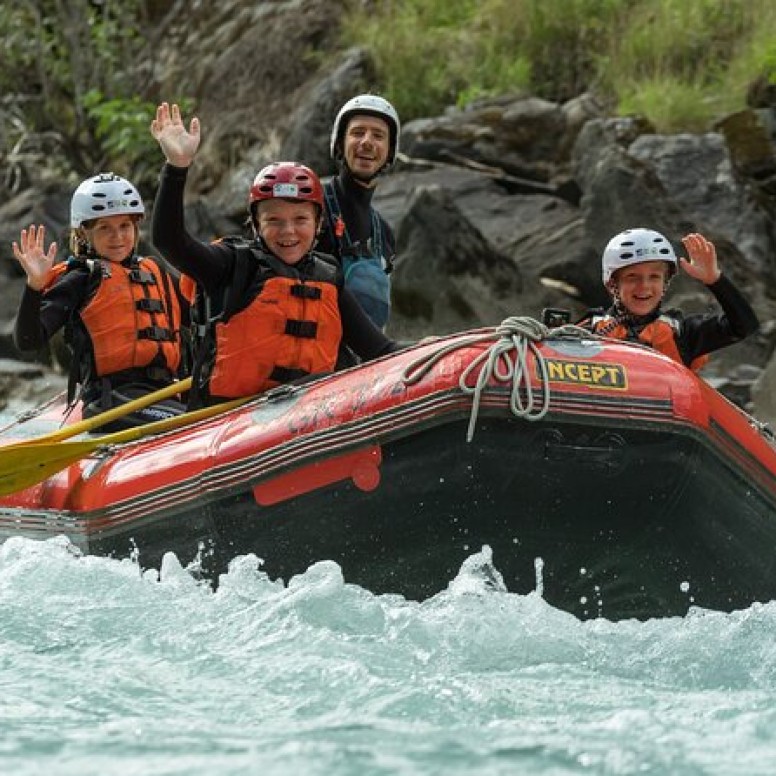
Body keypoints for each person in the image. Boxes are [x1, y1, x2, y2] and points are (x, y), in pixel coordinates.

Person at [149, 102, 401, 408]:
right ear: (255, 223)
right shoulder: (232, 265)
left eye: (300, 220)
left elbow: (380, 348)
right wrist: (176, 167)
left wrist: (441, 351)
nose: (288, 232)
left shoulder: (329, 280)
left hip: (304, 417)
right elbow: (169, 241)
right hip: (231, 422)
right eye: (274, 221)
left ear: (318, 224)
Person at [12, 173, 189, 431]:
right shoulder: (81, 278)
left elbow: (200, 318)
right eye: (104, 227)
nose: (117, 236)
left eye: (125, 226)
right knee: (187, 421)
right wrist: (34, 286)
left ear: (136, 228)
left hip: (165, 394)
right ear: (84, 233)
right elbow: (28, 341)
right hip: (112, 404)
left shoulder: (155, 271)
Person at [578, 227, 759, 370]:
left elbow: (745, 326)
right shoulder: (589, 329)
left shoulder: (684, 334)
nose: (644, 286)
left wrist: (715, 280)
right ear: (612, 284)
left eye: (654, 277)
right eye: (632, 277)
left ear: (665, 283)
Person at [317, 94, 401, 332]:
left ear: (390, 150)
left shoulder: (384, 232)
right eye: (357, 133)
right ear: (340, 143)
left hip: (365, 362)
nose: (367, 142)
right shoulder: (310, 209)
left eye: (378, 135)